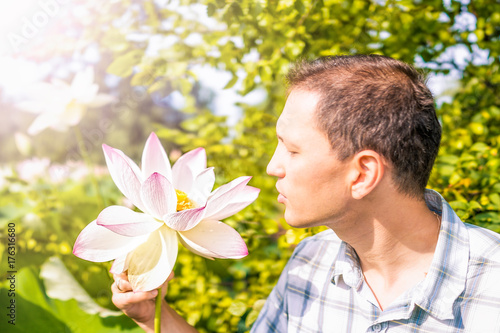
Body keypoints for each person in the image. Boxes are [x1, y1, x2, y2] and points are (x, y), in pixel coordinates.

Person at [111, 55, 500, 332]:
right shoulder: (309, 261)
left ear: (363, 173)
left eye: (292, 149)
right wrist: (153, 314)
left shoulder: (492, 289)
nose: (272, 167)